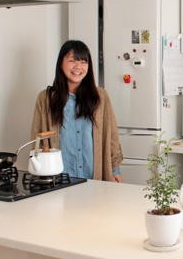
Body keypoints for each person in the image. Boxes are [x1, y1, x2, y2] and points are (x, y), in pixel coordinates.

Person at [31, 40, 123, 182]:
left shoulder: (101, 96)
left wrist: (115, 169)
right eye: (72, 60)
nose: (78, 67)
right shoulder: (45, 98)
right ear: (61, 64)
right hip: (60, 179)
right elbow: (37, 138)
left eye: (83, 62)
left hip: (95, 178)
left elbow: (112, 135)